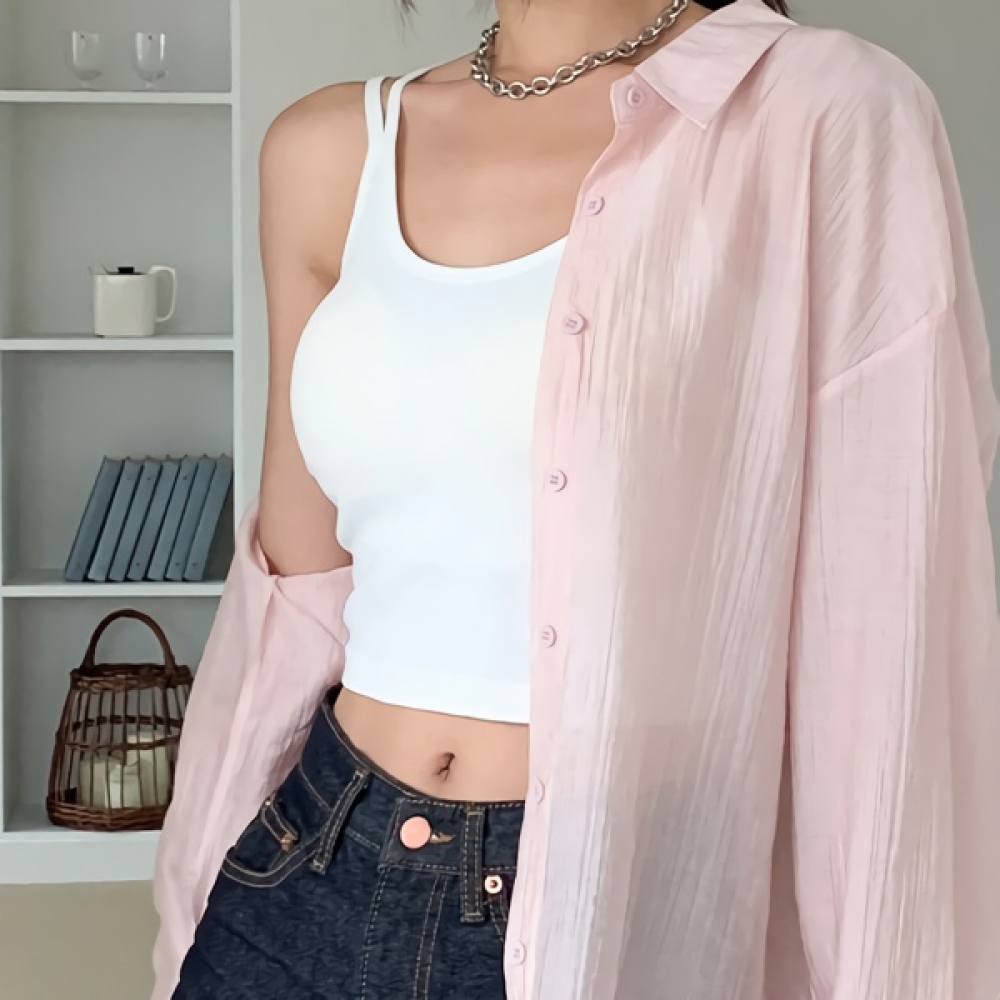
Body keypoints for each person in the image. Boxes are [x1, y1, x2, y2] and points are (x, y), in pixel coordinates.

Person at [153, 0, 1000, 997]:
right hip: (308, 860)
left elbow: (886, 631)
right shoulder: (327, 147)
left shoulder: (823, 110)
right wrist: (195, 881)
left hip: (622, 894)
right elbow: (294, 592)